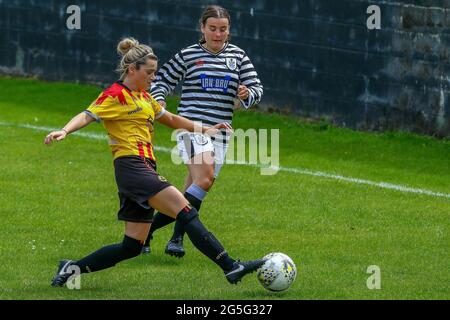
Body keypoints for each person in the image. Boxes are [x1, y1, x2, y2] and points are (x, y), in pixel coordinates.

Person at [45, 37, 265, 287]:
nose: (153, 78)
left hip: (143, 168)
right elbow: (87, 115)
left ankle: (69, 268)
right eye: (149, 73)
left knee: (131, 246)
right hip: (132, 167)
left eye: (155, 73)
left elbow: (170, 118)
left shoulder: (144, 97)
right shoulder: (115, 95)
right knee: (186, 211)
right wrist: (64, 130)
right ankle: (231, 266)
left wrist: (206, 128)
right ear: (132, 70)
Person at [143, 5, 263, 257]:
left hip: (221, 132)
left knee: (195, 187)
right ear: (202, 28)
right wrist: (160, 101)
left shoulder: (238, 57)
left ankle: (158, 234)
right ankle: (169, 237)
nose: (218, 34)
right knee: (205, 178)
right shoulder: (189, 55)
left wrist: (247, 94)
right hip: (192, 129)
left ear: (229, 30)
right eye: (212, 29)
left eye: (223, 29)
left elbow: (256, 87)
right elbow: (162, 79)